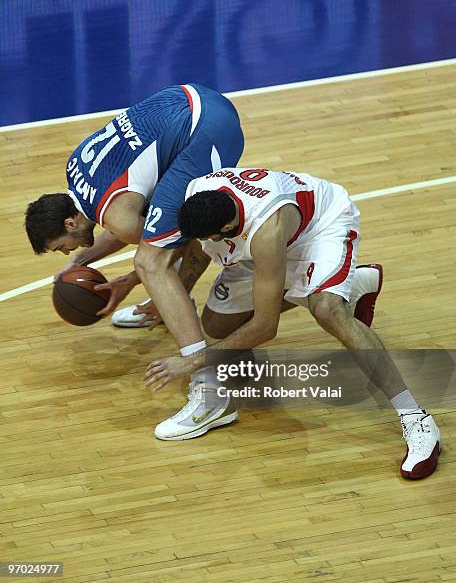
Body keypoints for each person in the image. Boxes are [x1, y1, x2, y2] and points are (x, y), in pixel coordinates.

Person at [144, 167, 441, 479]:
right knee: (217, 325)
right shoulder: (199, 193)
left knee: (326, 310)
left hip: (320, 227)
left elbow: (265, 327)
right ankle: (351, 284)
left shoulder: (266, 230)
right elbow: (196, 252)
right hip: (266, 244)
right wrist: (171, 296)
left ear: (227, 226)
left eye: (210, 238)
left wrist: (192, 362)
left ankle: (415, 418)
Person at [24, 81, 244, 339]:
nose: (67, 252)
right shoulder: (75, 166)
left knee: (190, 232)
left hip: (211, 129)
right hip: (188, 95)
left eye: (61, 247)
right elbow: (126, 218)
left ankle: (186, 328)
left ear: (70, 223)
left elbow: (184, 242)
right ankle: (176, 299)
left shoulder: (119, 218)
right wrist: (79, 262)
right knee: (163, 221)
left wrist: (129, 282)